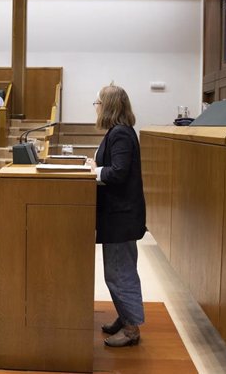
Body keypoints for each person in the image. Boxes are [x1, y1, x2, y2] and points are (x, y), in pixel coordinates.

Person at [85, 85, 146, 348]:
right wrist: (97, 166)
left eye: (97, 102)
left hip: (121, 217)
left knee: (120, 273)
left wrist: (96, 172)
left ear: (107, 106)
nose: (95, 106)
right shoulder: (117, 132)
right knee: (117, 270)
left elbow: (119, 173)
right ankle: (125, 316)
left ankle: (132, 329)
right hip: (118, 215)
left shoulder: (120, 134)